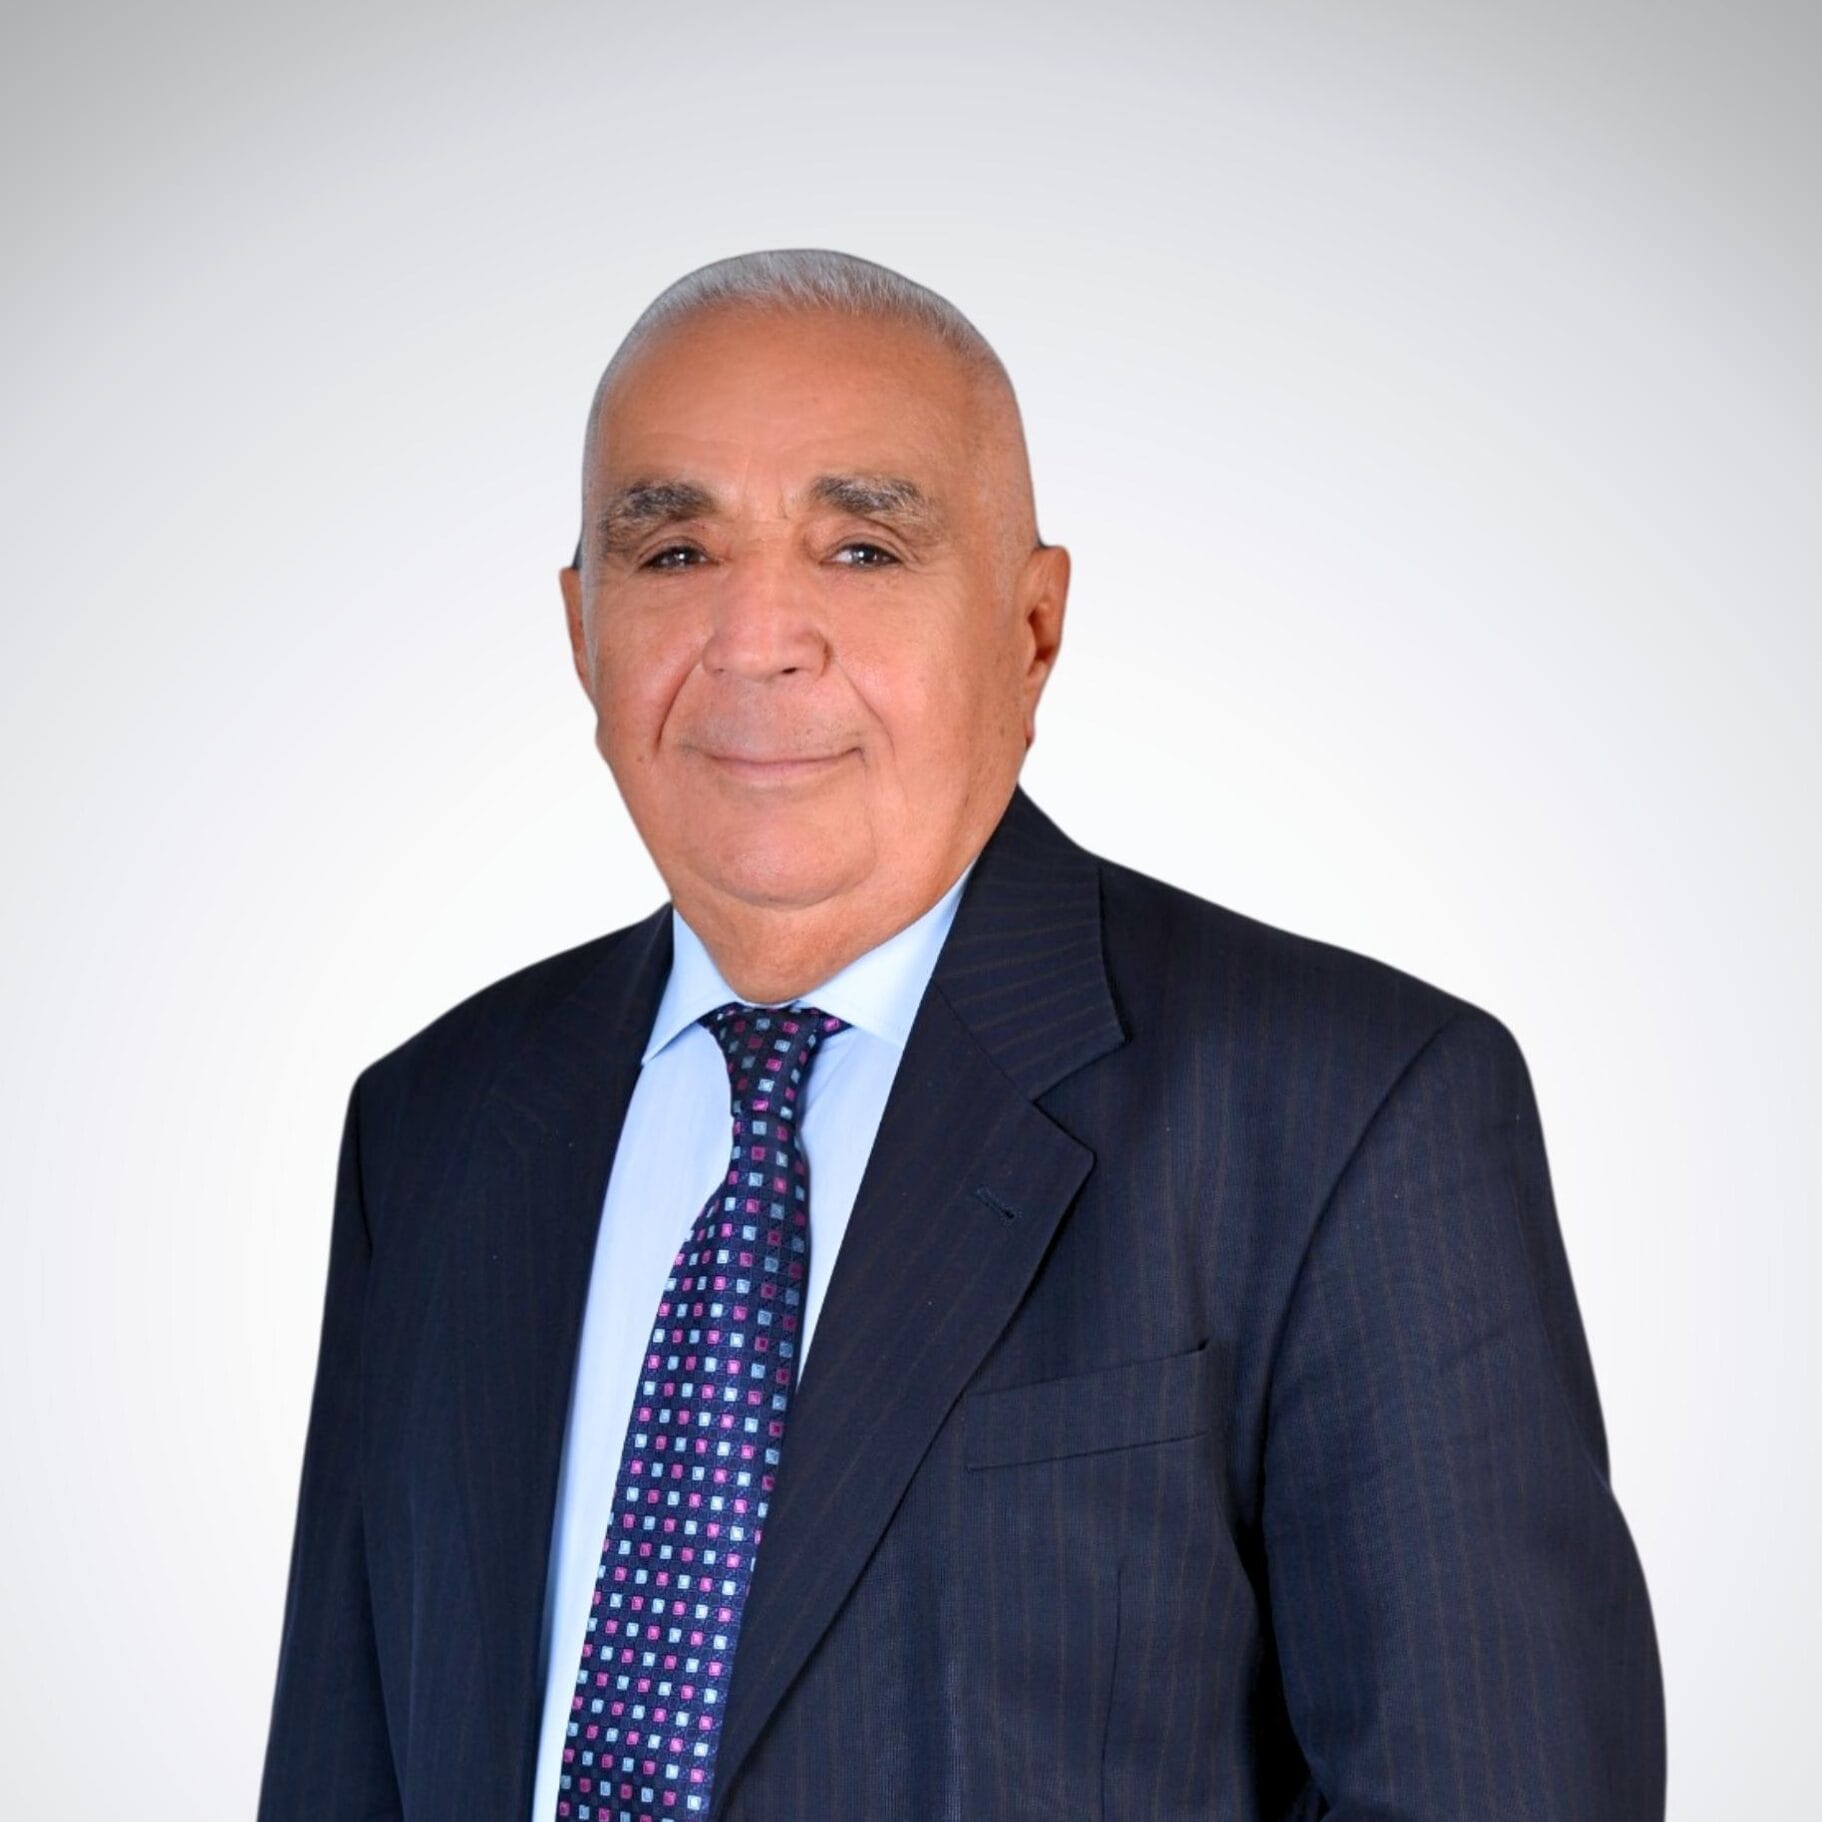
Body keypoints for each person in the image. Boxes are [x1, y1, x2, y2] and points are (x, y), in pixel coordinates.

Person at [257, 248, 1666, 1822]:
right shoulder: (433, 1125)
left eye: (861, 548)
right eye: (673, 552)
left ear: (1032, 626)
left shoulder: (1348, 1112)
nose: (754, 637)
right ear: (582, 629)